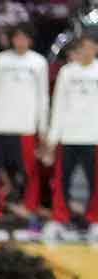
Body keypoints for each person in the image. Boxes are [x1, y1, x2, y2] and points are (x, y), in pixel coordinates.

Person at [0, 25, 49, 223]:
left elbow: (43, 99)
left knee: (30, 172)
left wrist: (43, 129)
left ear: (30, 40)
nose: (20, 42)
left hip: (25, 127)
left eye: (24, 38)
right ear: (11, 39)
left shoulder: (39, 62)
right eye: (17, 37)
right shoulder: (0, 61)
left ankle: (30, 209)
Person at [45, 31, 98, 232]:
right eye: (81, 47)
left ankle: (94, 219)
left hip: (93, 136)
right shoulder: (67, 72)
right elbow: (58, 105)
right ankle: (60, 218)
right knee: (62, 180)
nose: (85, 51)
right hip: (68, 136)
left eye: (89, 47)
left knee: (95, 182)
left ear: (95, 48)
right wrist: (52, 137)